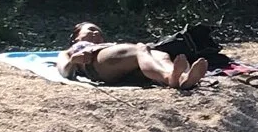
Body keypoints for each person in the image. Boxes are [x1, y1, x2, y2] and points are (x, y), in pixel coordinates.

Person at [58, 23, 207, 89]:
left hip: (121, 68)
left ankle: (179, 78)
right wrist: (73, 60)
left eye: (99, 32)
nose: (96, 33)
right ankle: (170, 77)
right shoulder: (69, 50)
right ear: (76, 37)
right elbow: (64, 71)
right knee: (141, 48)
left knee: (160, 54)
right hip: (96, 64)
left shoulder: (107, 44)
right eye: (91, 30)